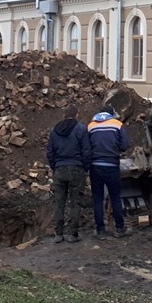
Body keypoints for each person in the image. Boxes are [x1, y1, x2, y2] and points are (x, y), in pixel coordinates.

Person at [46, 104, 91, 243]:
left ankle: (58, 234)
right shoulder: (81, 129)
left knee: (59, 202)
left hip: (59, 169)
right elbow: (86, 151)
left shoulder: (54, 131)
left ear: (63, 115)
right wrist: (85, 168)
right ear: (76, 114)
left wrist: (55, 167)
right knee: (75, 202)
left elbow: (50, 152)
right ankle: (73, 234)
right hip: (76, 169)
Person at [87, 111, 131, 239]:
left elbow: (86, 146)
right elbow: (124, 146)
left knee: (97, 198)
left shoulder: (90, 126)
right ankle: (119, 228)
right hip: (112, 166)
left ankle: (100, 230)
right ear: (111, 114)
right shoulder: (117, 124)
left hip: (95, 167)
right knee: (115, 197)